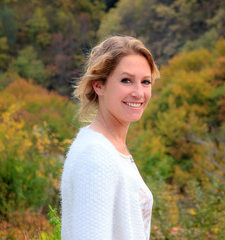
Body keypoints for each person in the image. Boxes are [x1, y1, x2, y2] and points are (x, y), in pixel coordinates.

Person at [60, 36, 160, 240]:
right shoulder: (95, 155)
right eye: (126, 80)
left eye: (146, 82)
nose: (138, 92)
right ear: (99, 86)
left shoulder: (110, 148)